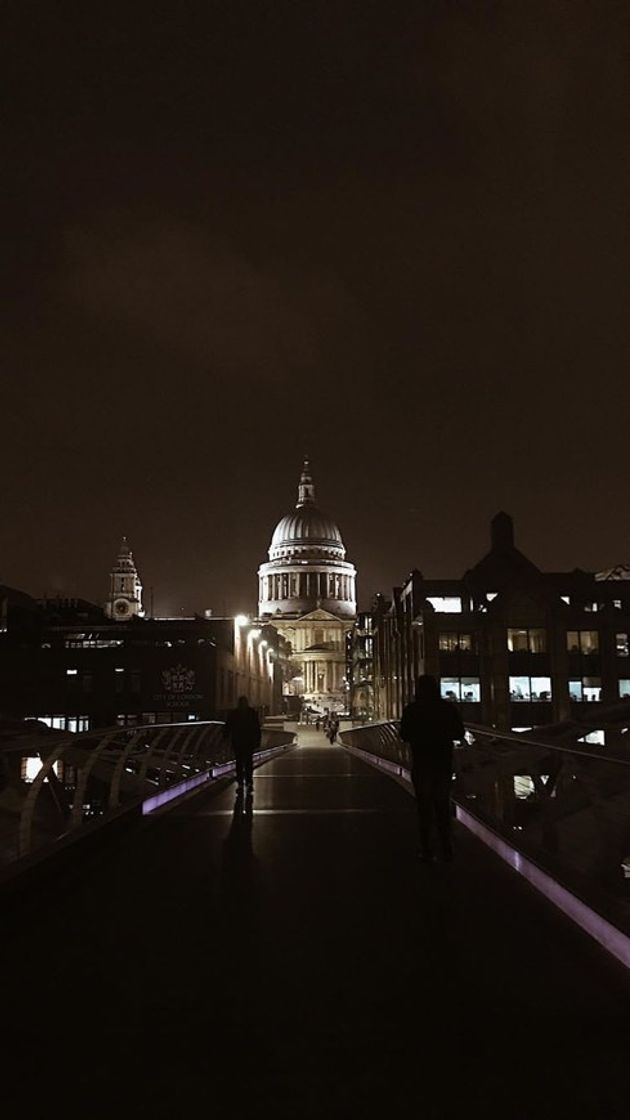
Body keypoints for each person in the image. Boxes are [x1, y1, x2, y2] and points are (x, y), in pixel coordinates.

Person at [400, 675, 465, 863]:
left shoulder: (412, 709)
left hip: (421, 762)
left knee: (424, 807)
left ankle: (427, 848)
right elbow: (459, 732)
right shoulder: (447, 709)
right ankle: (447, 847)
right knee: (442, 805)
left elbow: (404, 735)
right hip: (443, 762)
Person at [223, 695, 261, 794]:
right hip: (249, 742)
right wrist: (257, 741)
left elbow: (228, 727)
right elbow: (257, 728)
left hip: (238, 742)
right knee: (248, 762)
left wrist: (225, 738)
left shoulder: (234, 714)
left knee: (239, 763)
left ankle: (240, 783)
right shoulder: (252, 713)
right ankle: (249, 782)